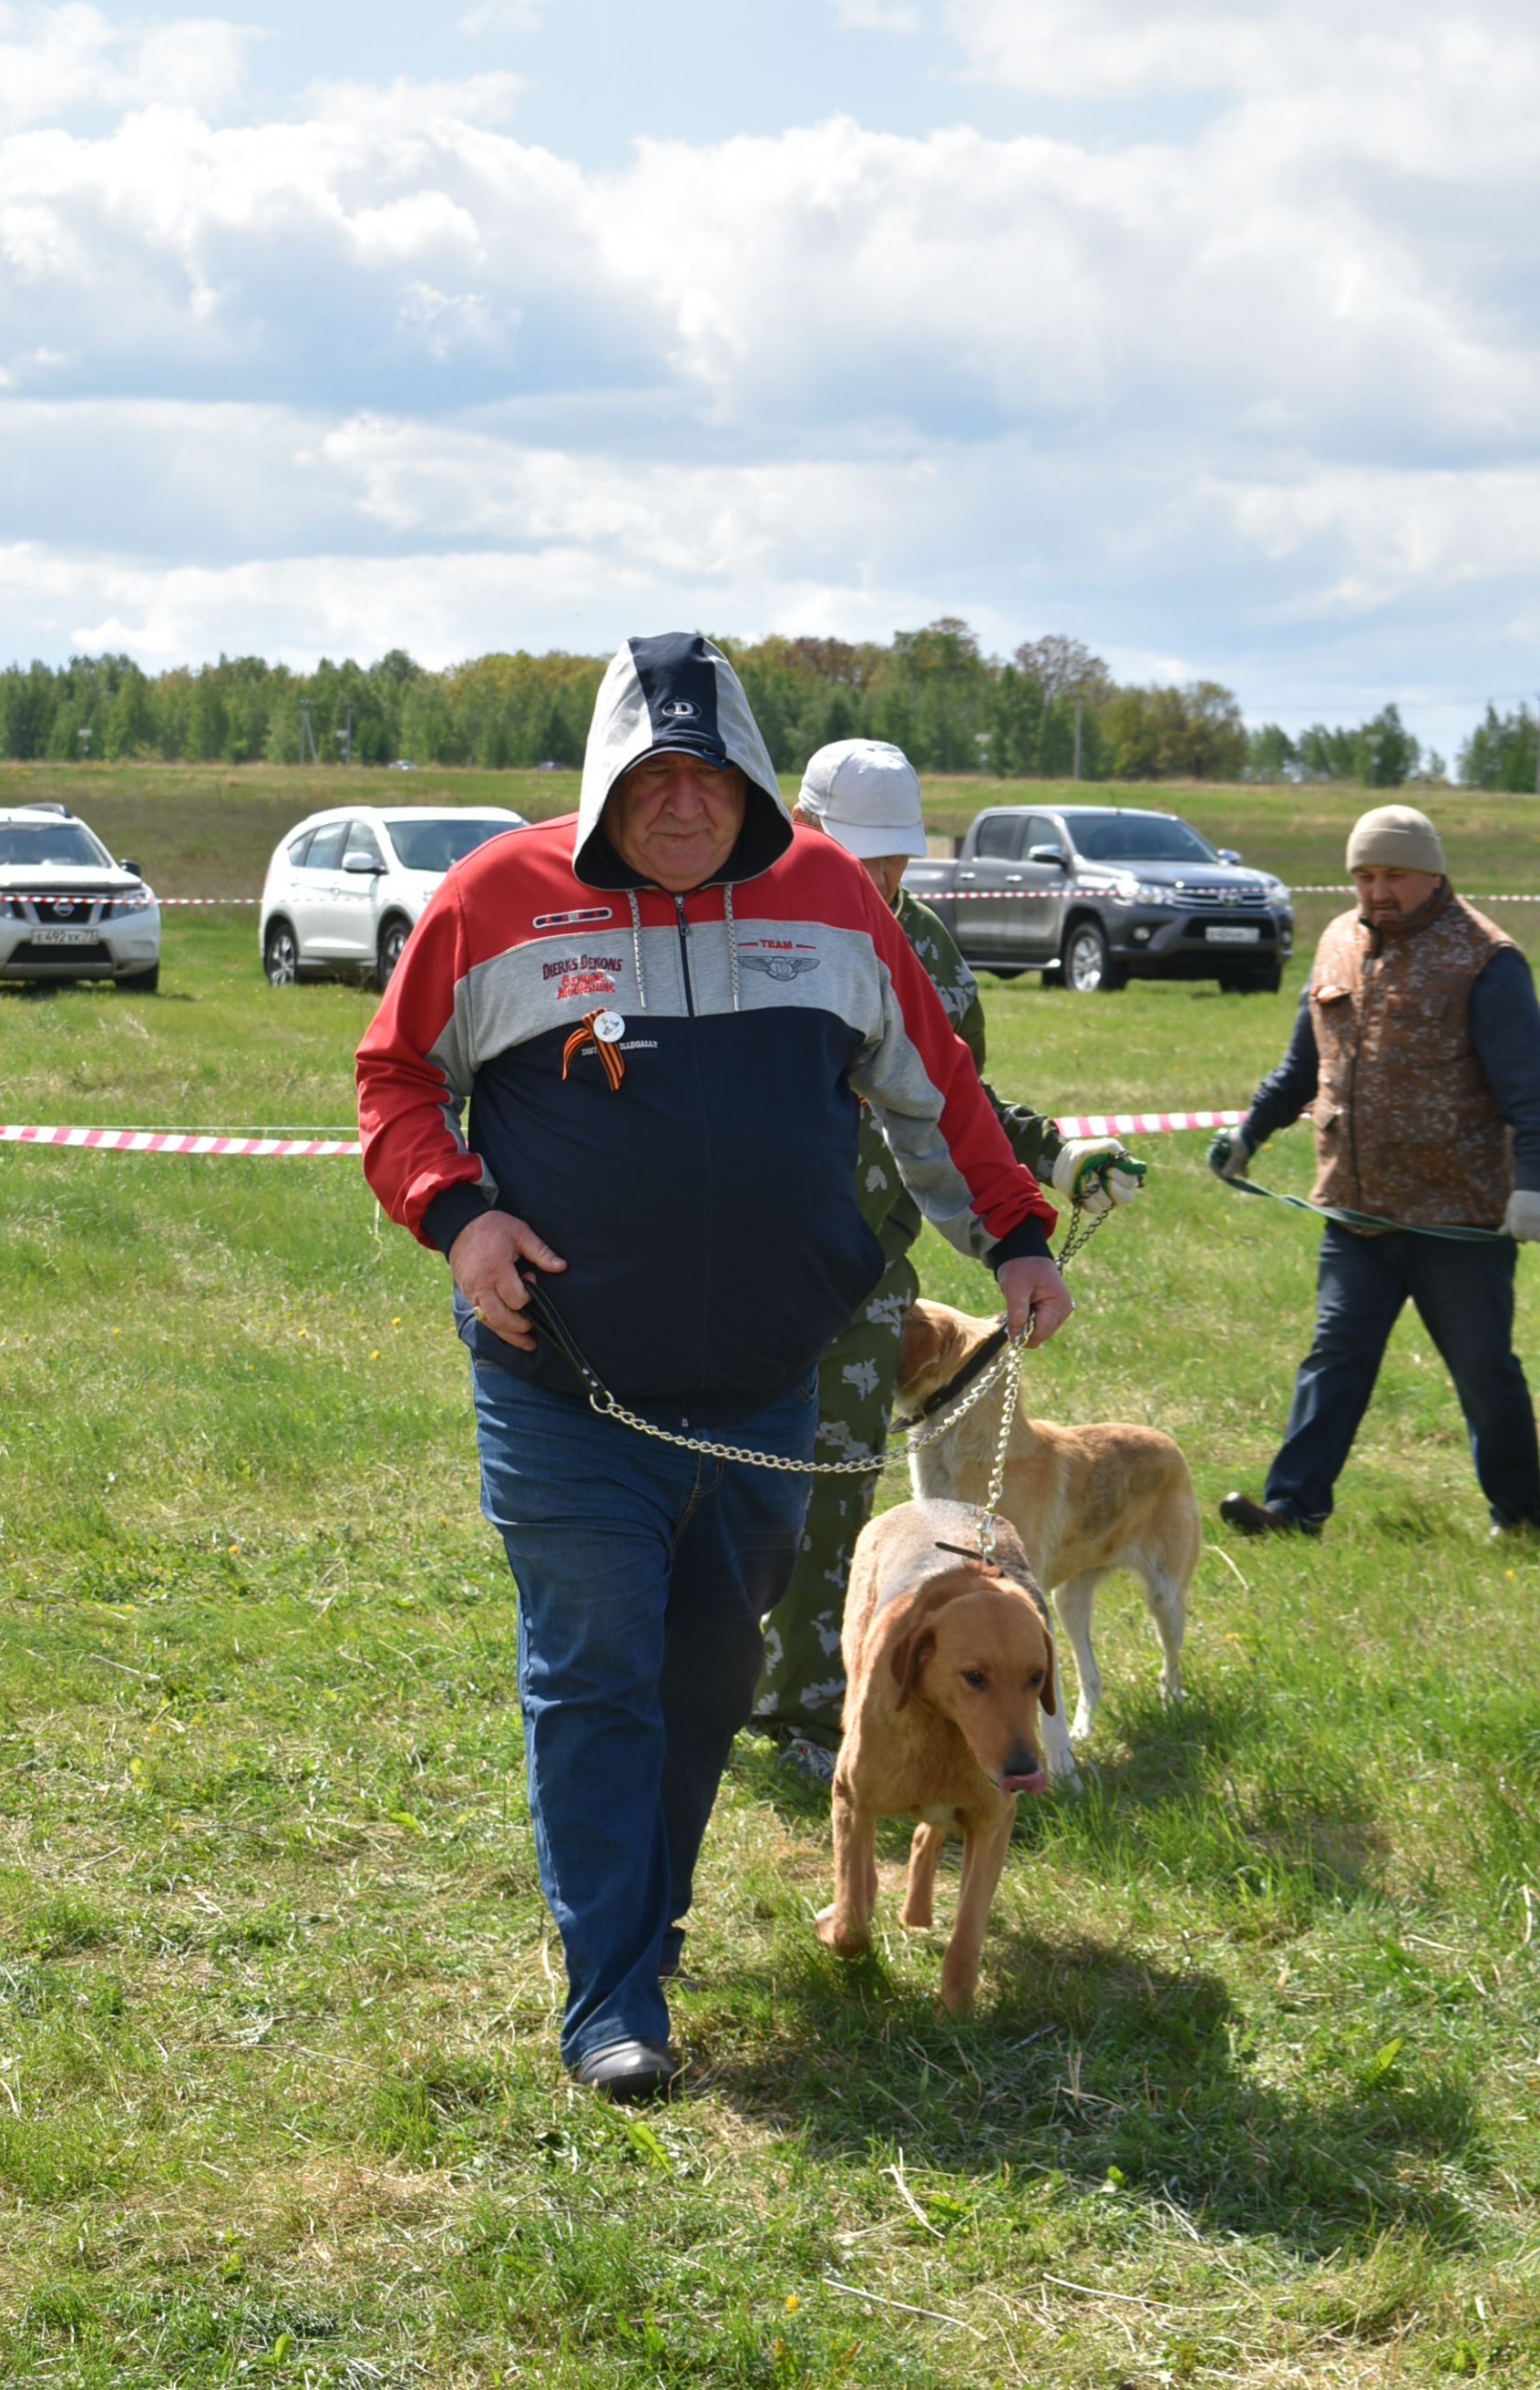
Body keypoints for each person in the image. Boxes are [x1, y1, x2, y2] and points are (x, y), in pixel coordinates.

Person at [356, 634, 1073, 2103]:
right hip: (567, 1388)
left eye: (712, 775)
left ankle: (646, 1924)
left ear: (749, 778)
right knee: (596, 1669)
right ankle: (613, 1995)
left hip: (764, 1391)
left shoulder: (825, 901)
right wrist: (461, 1212)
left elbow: (932, 1081)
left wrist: (1010, 1231)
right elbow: (397, 1080)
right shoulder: (496, 900)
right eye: (654, 776)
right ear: (607, 780)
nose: (684, 804)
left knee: (707, 1676)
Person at [749, 737, 1145, 1778]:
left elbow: (952, 1092)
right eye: (859, 856)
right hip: (738, 1257)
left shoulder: (925, 948)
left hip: (864, 1264)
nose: (880, 881)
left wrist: (1057, 1148)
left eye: (896, 861)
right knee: (719, 1484)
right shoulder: (741, 917)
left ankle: (802, 1712)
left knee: (832, 1480)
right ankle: (695, 1677)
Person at [1217, 803, 1540, 1544]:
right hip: (1355, 1213)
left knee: (1485, 1374)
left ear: (1432, 874)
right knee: (1334, 1359)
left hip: (1455, 1218)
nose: (1377, 890)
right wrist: (1248, 1134)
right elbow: (1304, 1065)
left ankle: (1520, 1515)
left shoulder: (1485, 959)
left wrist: (1532, 1184)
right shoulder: (1335, 944)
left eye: (1394, 874)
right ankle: (1293, 1510)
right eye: (1364, 875)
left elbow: (1530, 1087)